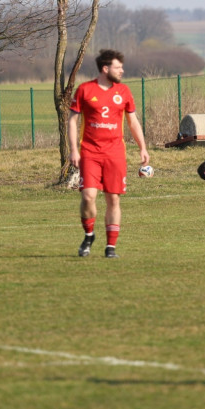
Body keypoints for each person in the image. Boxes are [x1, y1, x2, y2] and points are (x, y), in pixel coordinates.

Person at [67, 49, 150, 258]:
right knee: (88, 196)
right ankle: (89, 235)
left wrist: (143, 147)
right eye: (118, 67)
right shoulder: (85, 90)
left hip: (115, 153)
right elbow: (72, 120)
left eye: (122, 67)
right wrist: (74, 150)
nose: (122, 70)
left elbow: (133, 122)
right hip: (90, 151)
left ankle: (110, 247)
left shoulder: (124, 92)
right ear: (105, 69)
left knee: (113, 199)